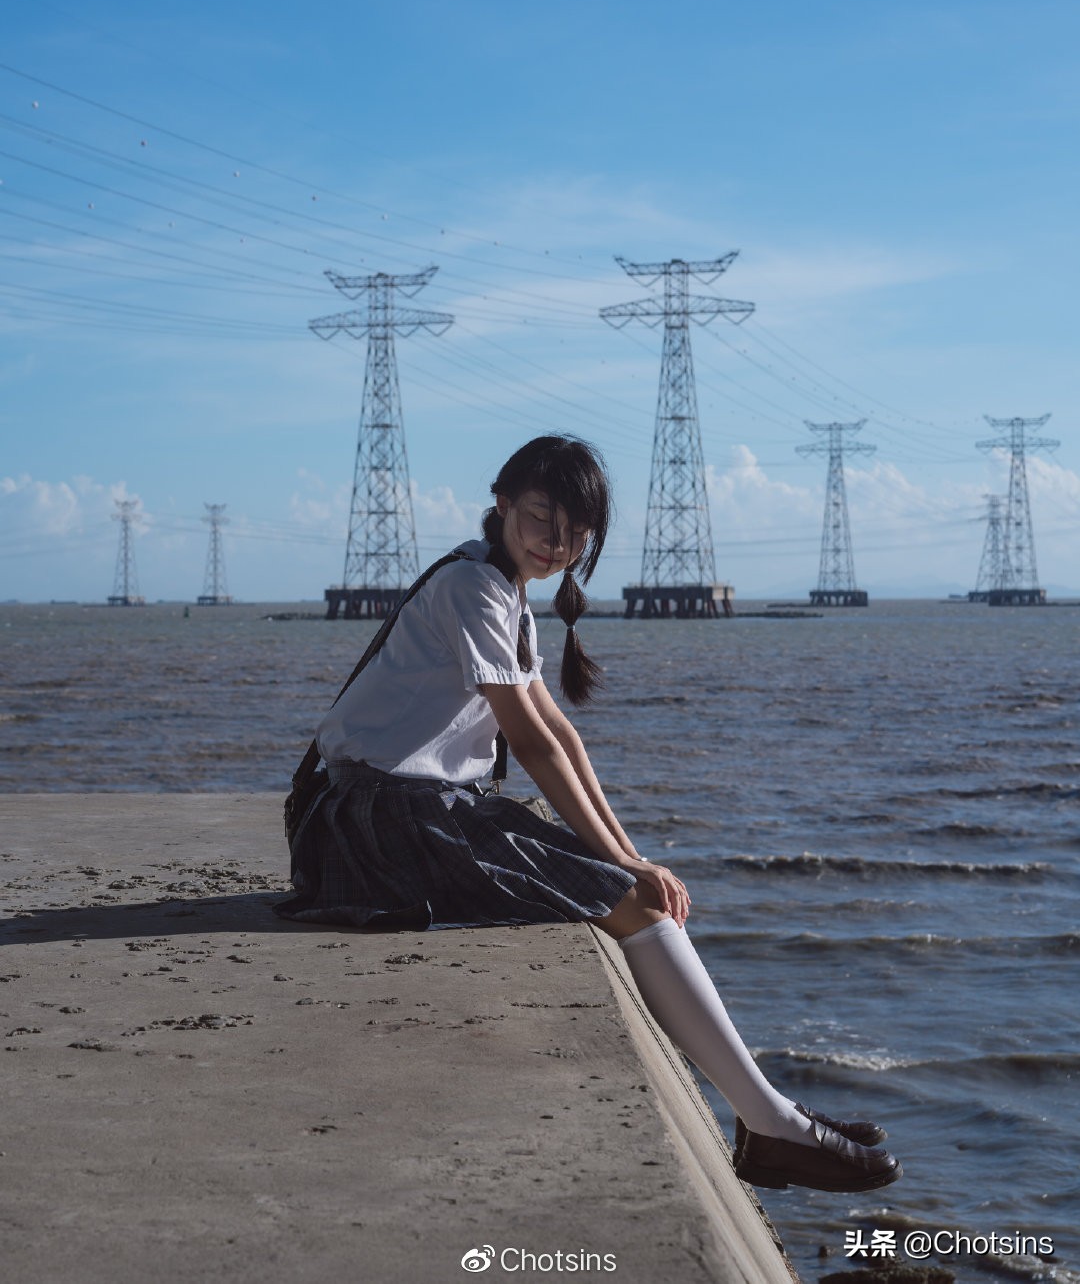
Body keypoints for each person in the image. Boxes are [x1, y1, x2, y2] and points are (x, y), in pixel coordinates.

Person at [276, 435, 902, 1196]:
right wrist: (628, 867)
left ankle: (770, 1115)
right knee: (634, 904)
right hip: (376, 825)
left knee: (633, 890)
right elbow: (530, 740)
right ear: (503, 501)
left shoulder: (505, 593)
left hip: (414, 810)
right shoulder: (473, 586)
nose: (556, 542)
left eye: (576, 533)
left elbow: (562, 733)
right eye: (542, 517)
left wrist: (632, 855)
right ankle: (771, 1125)